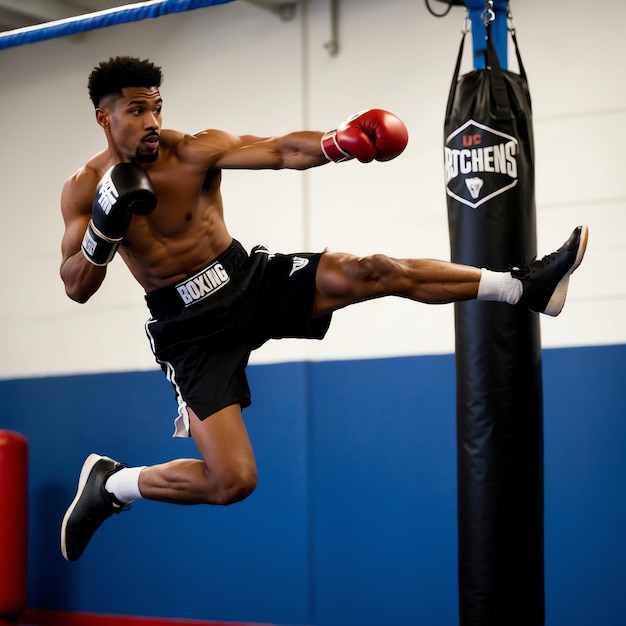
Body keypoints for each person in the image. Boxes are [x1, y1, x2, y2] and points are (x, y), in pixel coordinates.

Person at [59, 56, 588, 562]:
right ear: (104, 118)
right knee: (232, 482)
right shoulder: (84, 189)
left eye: (157, 107)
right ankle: (115, 485)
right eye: (136, 111)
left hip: (248, 281)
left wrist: (338, 142)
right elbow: (76, 287)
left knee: (372, 269)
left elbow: (280, 150)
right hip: (189, 328)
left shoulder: (192, 150)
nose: (152, 121)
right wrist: (104, 231)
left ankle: (524, 286)